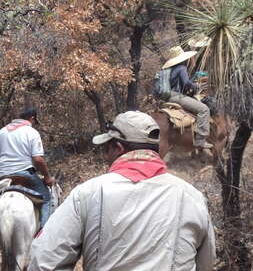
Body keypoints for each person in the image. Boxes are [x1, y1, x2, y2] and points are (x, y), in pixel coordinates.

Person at [28, 111, 216, 271]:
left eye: (106, 148)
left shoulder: (88, 193)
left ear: (118, 148)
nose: (105, 155)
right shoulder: (192, 197)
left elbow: (43, 260)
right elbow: (207, 264)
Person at [0, 106, 54, 259]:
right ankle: (46, 236)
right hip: (26, 175)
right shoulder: (31, 132)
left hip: (3, 176)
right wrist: (47, 177)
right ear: (32, 119)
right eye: (35, 121)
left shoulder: (2, 131)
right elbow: (37, 159)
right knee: (47, 199)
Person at [163, 45, 213, 150]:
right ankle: (200, 140)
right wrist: (196, 86)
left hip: (167, 96)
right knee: (204, 109)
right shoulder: (181, 68)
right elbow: (186, 84)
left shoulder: (169, 69)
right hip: (175, 96)